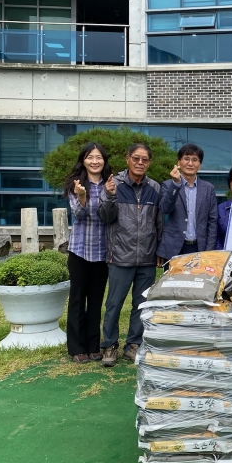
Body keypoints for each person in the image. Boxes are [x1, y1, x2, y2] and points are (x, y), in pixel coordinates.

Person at [98, 143, 163, 366]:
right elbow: (105, 217)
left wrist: (159, 250)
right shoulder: (113, 184)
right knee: (114, 304)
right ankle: (109, 346)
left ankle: (133, 345)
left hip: (146, 257)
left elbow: (159, 222)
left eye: (145, 159)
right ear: (127, 159)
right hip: (120, 256)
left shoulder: (154, 187)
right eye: (136, 158)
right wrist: (110, 196)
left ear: (149, 163)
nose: (140, 163)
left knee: (141, 304)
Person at [63, 142, 112, 364]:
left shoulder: (110, 183)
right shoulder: (76, 184)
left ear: (104, 160)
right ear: (83, 160)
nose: (95, 161)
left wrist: (110, 194)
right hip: (80, 251)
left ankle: (93, 345)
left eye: (98, 157)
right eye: (90, 157)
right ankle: (76, 347)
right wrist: (82, 197)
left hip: (102, 252)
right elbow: (78, 215)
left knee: (95, 300)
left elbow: (111, 214)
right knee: (77, 300)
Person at [157, 143, 218, 260]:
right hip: (173, 248)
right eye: (186, 159)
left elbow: (212, 221)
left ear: (199, 165)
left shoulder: (208, 188)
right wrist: (176, 184)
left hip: (199, 247)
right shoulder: (168, 185)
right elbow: (165, 209)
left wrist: (209, 250)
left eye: (195, 160)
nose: (190, 163)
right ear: (179, 162)